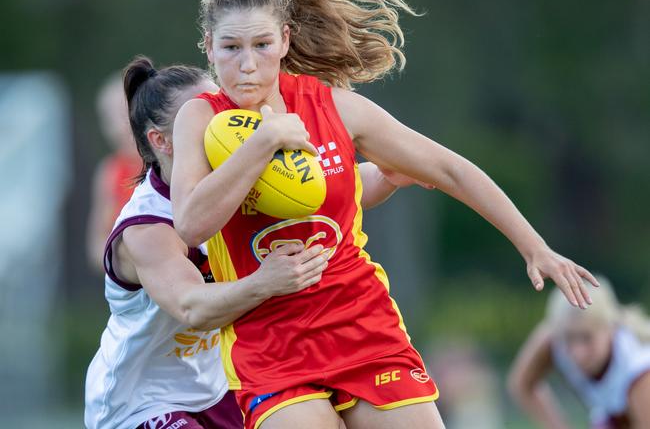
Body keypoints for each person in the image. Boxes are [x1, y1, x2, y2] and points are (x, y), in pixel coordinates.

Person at [170, 0, 598, 429]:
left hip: (359, 324)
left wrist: (535, 247)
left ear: (285, 41)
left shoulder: (333, 107)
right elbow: (191, 224)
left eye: (261, 45)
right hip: (269, 341)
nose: (247, 64)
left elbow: (449, 169)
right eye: (231, 47)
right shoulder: (198, 118)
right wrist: (264, 143)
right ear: (209, 48)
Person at [84, 56, 421, 429]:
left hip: (218, 387)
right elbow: (192, 306)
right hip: (142, 403)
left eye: (220, 108)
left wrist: (390, 174)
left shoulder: (236, 177)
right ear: (162, 141)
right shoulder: (146, 229)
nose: (220, 122)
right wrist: (265, 282)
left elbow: (324, 192)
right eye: (203, 118)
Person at [508, 277, 650, 428]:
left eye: (586, 338)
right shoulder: (554, 338)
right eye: (569, 338)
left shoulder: (639, 369)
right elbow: (523, 385)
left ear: (610, 328)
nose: (578, 353)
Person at [86, 72, 143, 273]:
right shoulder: (110, 172)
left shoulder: (169, 161)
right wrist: (128, 262)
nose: (119, 125)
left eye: (124, 112)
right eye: (109, 117)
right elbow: (96, 246)